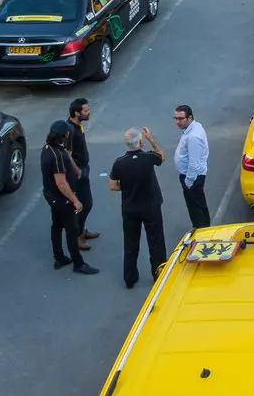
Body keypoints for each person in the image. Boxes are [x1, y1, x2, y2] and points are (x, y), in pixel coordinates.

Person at [108, 127, 168, 289]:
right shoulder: (148, 158)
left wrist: (126, 186)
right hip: (151, 206)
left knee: (130, 242)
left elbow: (113, 186)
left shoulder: (119, 163)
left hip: (130, 208)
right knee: (156, 241)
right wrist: (151, 139)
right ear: (140, 142)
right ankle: (159, 274)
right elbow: (162, 156)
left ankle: (130, 277)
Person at [41, 121, 96, 274]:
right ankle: (78, 263)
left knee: (57, 225)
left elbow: (66, 153)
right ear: (63, 135)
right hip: (62, 199)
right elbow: (61, 183)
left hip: (51, 196)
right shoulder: (57, 156)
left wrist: (76, 169)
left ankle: (59, 257)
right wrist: (75, 200)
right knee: (72, 230)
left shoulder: (48, 148)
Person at [66, 98, 99, 250]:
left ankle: (81, 230)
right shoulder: (71, 131)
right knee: (84, 204)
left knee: (87, 203)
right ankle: (77, 236)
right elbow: (68, 154)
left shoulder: (78, 126)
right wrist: (77, 171)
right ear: (76, 113)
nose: (88, 112)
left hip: (84, 168)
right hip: (78, 172)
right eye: (85, 110)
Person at [172, 103, 210, 229]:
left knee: (196, 208)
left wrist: (188, 182)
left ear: (189, 118)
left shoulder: (193, 137)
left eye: (180, 119)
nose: (177, 122)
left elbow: (194, 163)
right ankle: (203, 228)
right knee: (198, 205)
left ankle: (201, 231)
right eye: (176, 118)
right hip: (192, 176)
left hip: (192, 178)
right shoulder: (193, 128)